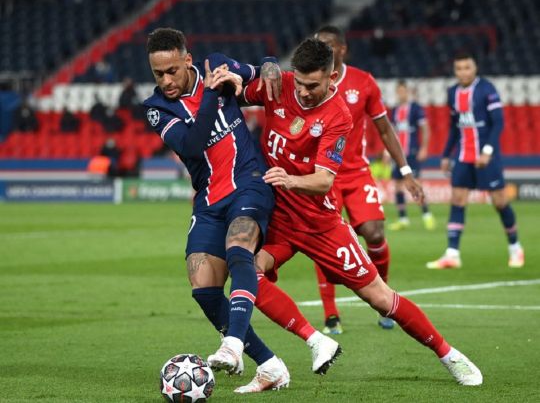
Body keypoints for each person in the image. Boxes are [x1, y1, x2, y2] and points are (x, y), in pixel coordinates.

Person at [241, 37, 483, 387]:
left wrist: (289, 180)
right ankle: (312, 340)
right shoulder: (281, 85)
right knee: (248, 273)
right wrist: (260, 66)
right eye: (301, 83)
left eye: (313, 86)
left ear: (331, 78)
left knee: (380, 298)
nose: (304, 92)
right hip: (279, 219)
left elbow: (324, 181)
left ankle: (449, 354)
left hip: (320, 224)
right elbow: (231, 93)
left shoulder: (338, 114)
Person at [142, 27, 314, 395]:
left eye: (172, 70)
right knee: (203, 286)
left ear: (188, 60)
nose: (166, 80)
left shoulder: (217, 65)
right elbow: (192, 144)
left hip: (249, 182)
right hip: (209, 199)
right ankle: (270, 365)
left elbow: (260, 72)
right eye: (158, 74)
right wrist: (211, 92)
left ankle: (233, 344)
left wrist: (269, 64)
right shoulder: (157, 109)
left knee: (239, 250)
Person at [312, 25, 423, 333]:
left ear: (342, 49)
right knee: (324, 239)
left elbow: (385, 129)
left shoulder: (363, 82)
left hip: (356, 172)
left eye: (328, 45)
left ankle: (384, 299)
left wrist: (406, 171)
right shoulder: (309, 82)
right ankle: (331, 314)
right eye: (318, 45)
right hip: (323, 175)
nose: (323, 51)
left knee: (374, 233)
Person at [427, 53, 525, 269]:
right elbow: (455, 127)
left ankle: (515, 248)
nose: (463, 72)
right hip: (463, 155)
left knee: (500, 202)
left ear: (475, 68)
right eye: (459, 68)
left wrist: (488, 151)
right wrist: (446, 155)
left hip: (487, 156)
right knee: (458, 199)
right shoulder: (452, 92)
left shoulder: (487, 89)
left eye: (467, 67)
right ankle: (452, 254)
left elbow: (498, 123)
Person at [389, 80, 436, 231]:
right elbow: (391, 132)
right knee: (397, 185)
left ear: (407, 92)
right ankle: (403, 219)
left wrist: (424, 148)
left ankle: (427, 215)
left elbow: (425, 128)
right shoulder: (394, 110)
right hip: (398, 155)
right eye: (399, 91)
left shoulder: (416, 108)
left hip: (412, 153)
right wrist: (386, 151)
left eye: (403, 91)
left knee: (415, 183)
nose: (401, 94)